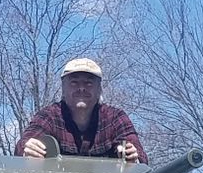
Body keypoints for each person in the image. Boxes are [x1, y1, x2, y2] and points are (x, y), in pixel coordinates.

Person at [14, 58, 148, 164]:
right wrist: (28, 149)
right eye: (74, 83)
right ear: (63, 88)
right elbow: (24, 144)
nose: (81, 88)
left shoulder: (115, 117)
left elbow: (139, 155)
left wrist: (132, 156)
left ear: (99, 89)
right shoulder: (49, 116)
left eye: (89, 83)